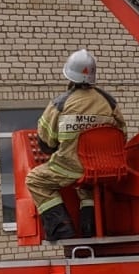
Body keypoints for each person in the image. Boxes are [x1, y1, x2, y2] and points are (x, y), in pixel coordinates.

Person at [26, 49, 127, 241]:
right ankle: (90, 228)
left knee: (35, 180)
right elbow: (122, 136)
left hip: (71, 167)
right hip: (104, 167)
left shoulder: (60, 104)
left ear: (69, 75)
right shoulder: (109, 102)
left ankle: (62, 230)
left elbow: (46, 143)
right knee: (86, 186)